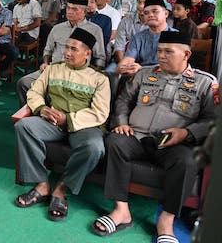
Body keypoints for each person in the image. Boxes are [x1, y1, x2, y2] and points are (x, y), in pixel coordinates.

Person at [91, 31, 218, 242]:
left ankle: (166, 221)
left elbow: (213, 119)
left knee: (187, 160)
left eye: (168, 52)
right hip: (137, 136)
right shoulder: (144, 73)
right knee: (114, 141)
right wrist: (121, 122)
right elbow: (124, 100)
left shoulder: (206, 82)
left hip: (174, 143)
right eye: (159, 51)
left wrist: (186, 133)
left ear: (186, 54)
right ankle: (121, 210)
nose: (161, 55)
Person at [14, 28, 110, 221]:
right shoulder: (53, 69)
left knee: (94, 147)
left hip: (83, 127)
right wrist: (41, 108)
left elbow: (100, 113)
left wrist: (69, 119)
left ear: (87, 53)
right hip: (52, 122)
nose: (67, 52)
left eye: (74, 49)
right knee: (24, 126)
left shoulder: (99, 78)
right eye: (66, 48)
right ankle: (42, 184)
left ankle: (61, 188)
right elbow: (34, 92)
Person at [16, 0, 106, 107]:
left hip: (78, 73)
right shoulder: (57, 28)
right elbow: (48, 50)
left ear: (84, 12)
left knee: (59, 91)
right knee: (23, 82)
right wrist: (45, 63)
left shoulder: (94, 30)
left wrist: (93, 75)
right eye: (68, 8)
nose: (69, 12)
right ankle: (31, 113)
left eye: (74, 9)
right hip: (53, 69)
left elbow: (100, 57)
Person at [117, 0, 175, 76]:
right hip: (141, 78)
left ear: (166, 13)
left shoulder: (176, 37)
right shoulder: (137, 37)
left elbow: (173, 67)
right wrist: (126, 67)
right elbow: (124, 64)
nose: (150, 15)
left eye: (155, 11)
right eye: (146, 13)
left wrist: (142, 69)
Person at [108, 0, 155, 73]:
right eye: (139, 2)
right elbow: (119, 47)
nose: (140, 6)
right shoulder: (126, 21)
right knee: (109, 73)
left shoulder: (156, 24)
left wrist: (141, 69)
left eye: (144, 3)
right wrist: (124, 66)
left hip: (147, 65)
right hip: (124, 60)